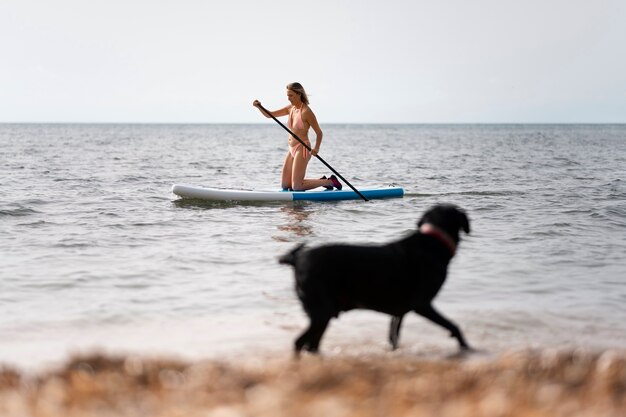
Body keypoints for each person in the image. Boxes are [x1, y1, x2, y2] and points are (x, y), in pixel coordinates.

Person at [253, 82, 342, 191]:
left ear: (299, 94)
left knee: (297, 187)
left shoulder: (306, 112)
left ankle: (330, 181)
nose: (288, 98)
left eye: (291, 95)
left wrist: (316, 148)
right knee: (285, 185)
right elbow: (269, 115)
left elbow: (319, 133)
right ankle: (322, 181)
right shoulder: (290, 108)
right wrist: (259, 107)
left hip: (303, 148)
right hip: (291, 149)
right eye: (287, 96)